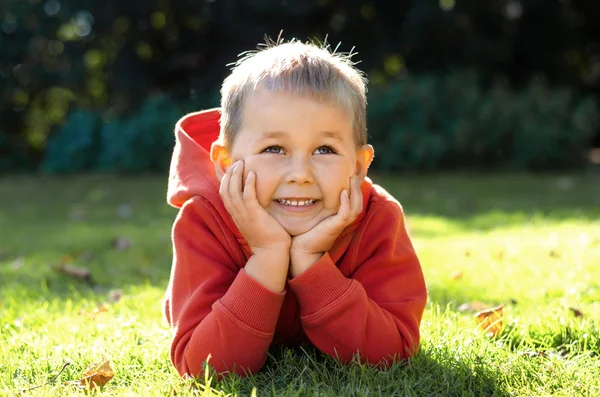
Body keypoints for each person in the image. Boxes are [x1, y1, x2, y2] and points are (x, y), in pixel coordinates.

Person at [163, 38, 427, 378]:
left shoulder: (378, 220)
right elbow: (204, 367)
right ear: (226, 163)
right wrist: (268, 254)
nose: (300, 175)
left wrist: (310, 263)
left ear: (359, 167)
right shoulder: (204, 221)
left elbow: (393, 354)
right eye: (274, 148)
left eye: (324, 150)